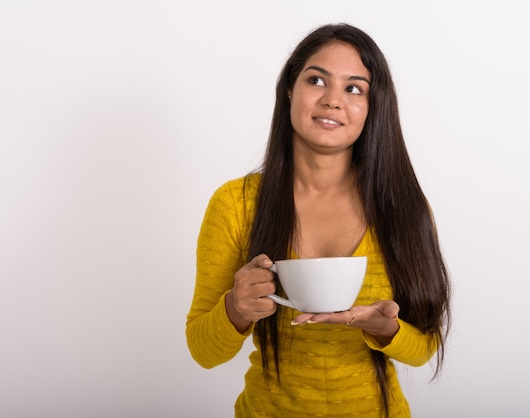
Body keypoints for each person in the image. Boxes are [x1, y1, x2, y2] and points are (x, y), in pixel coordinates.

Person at [185, 23, 451, 418]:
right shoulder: (235, 204)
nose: (332, 100)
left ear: (372, 106)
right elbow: (202, 352)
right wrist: (235, 310)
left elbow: (424, 346)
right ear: (290, 89)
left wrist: (384, 330)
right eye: (316, 80)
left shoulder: (402, 206)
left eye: (354, 88)